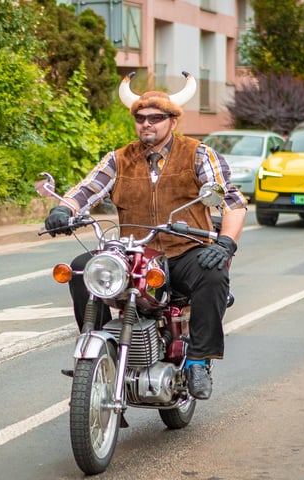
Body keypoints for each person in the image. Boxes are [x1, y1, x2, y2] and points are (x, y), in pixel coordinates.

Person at [44, 73, 247, 400]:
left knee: (213, 274)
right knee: (82, 269)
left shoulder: (197, 154)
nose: (147, 125)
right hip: (133, 253)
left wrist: (225, 243)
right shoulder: (119, 159)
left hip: (184, 251)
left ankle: (197, 361)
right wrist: (64, 210)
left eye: (156, 118)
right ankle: (96, 356)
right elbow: (87, 189)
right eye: (140, 119)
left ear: (173, 120)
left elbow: (232, 202)